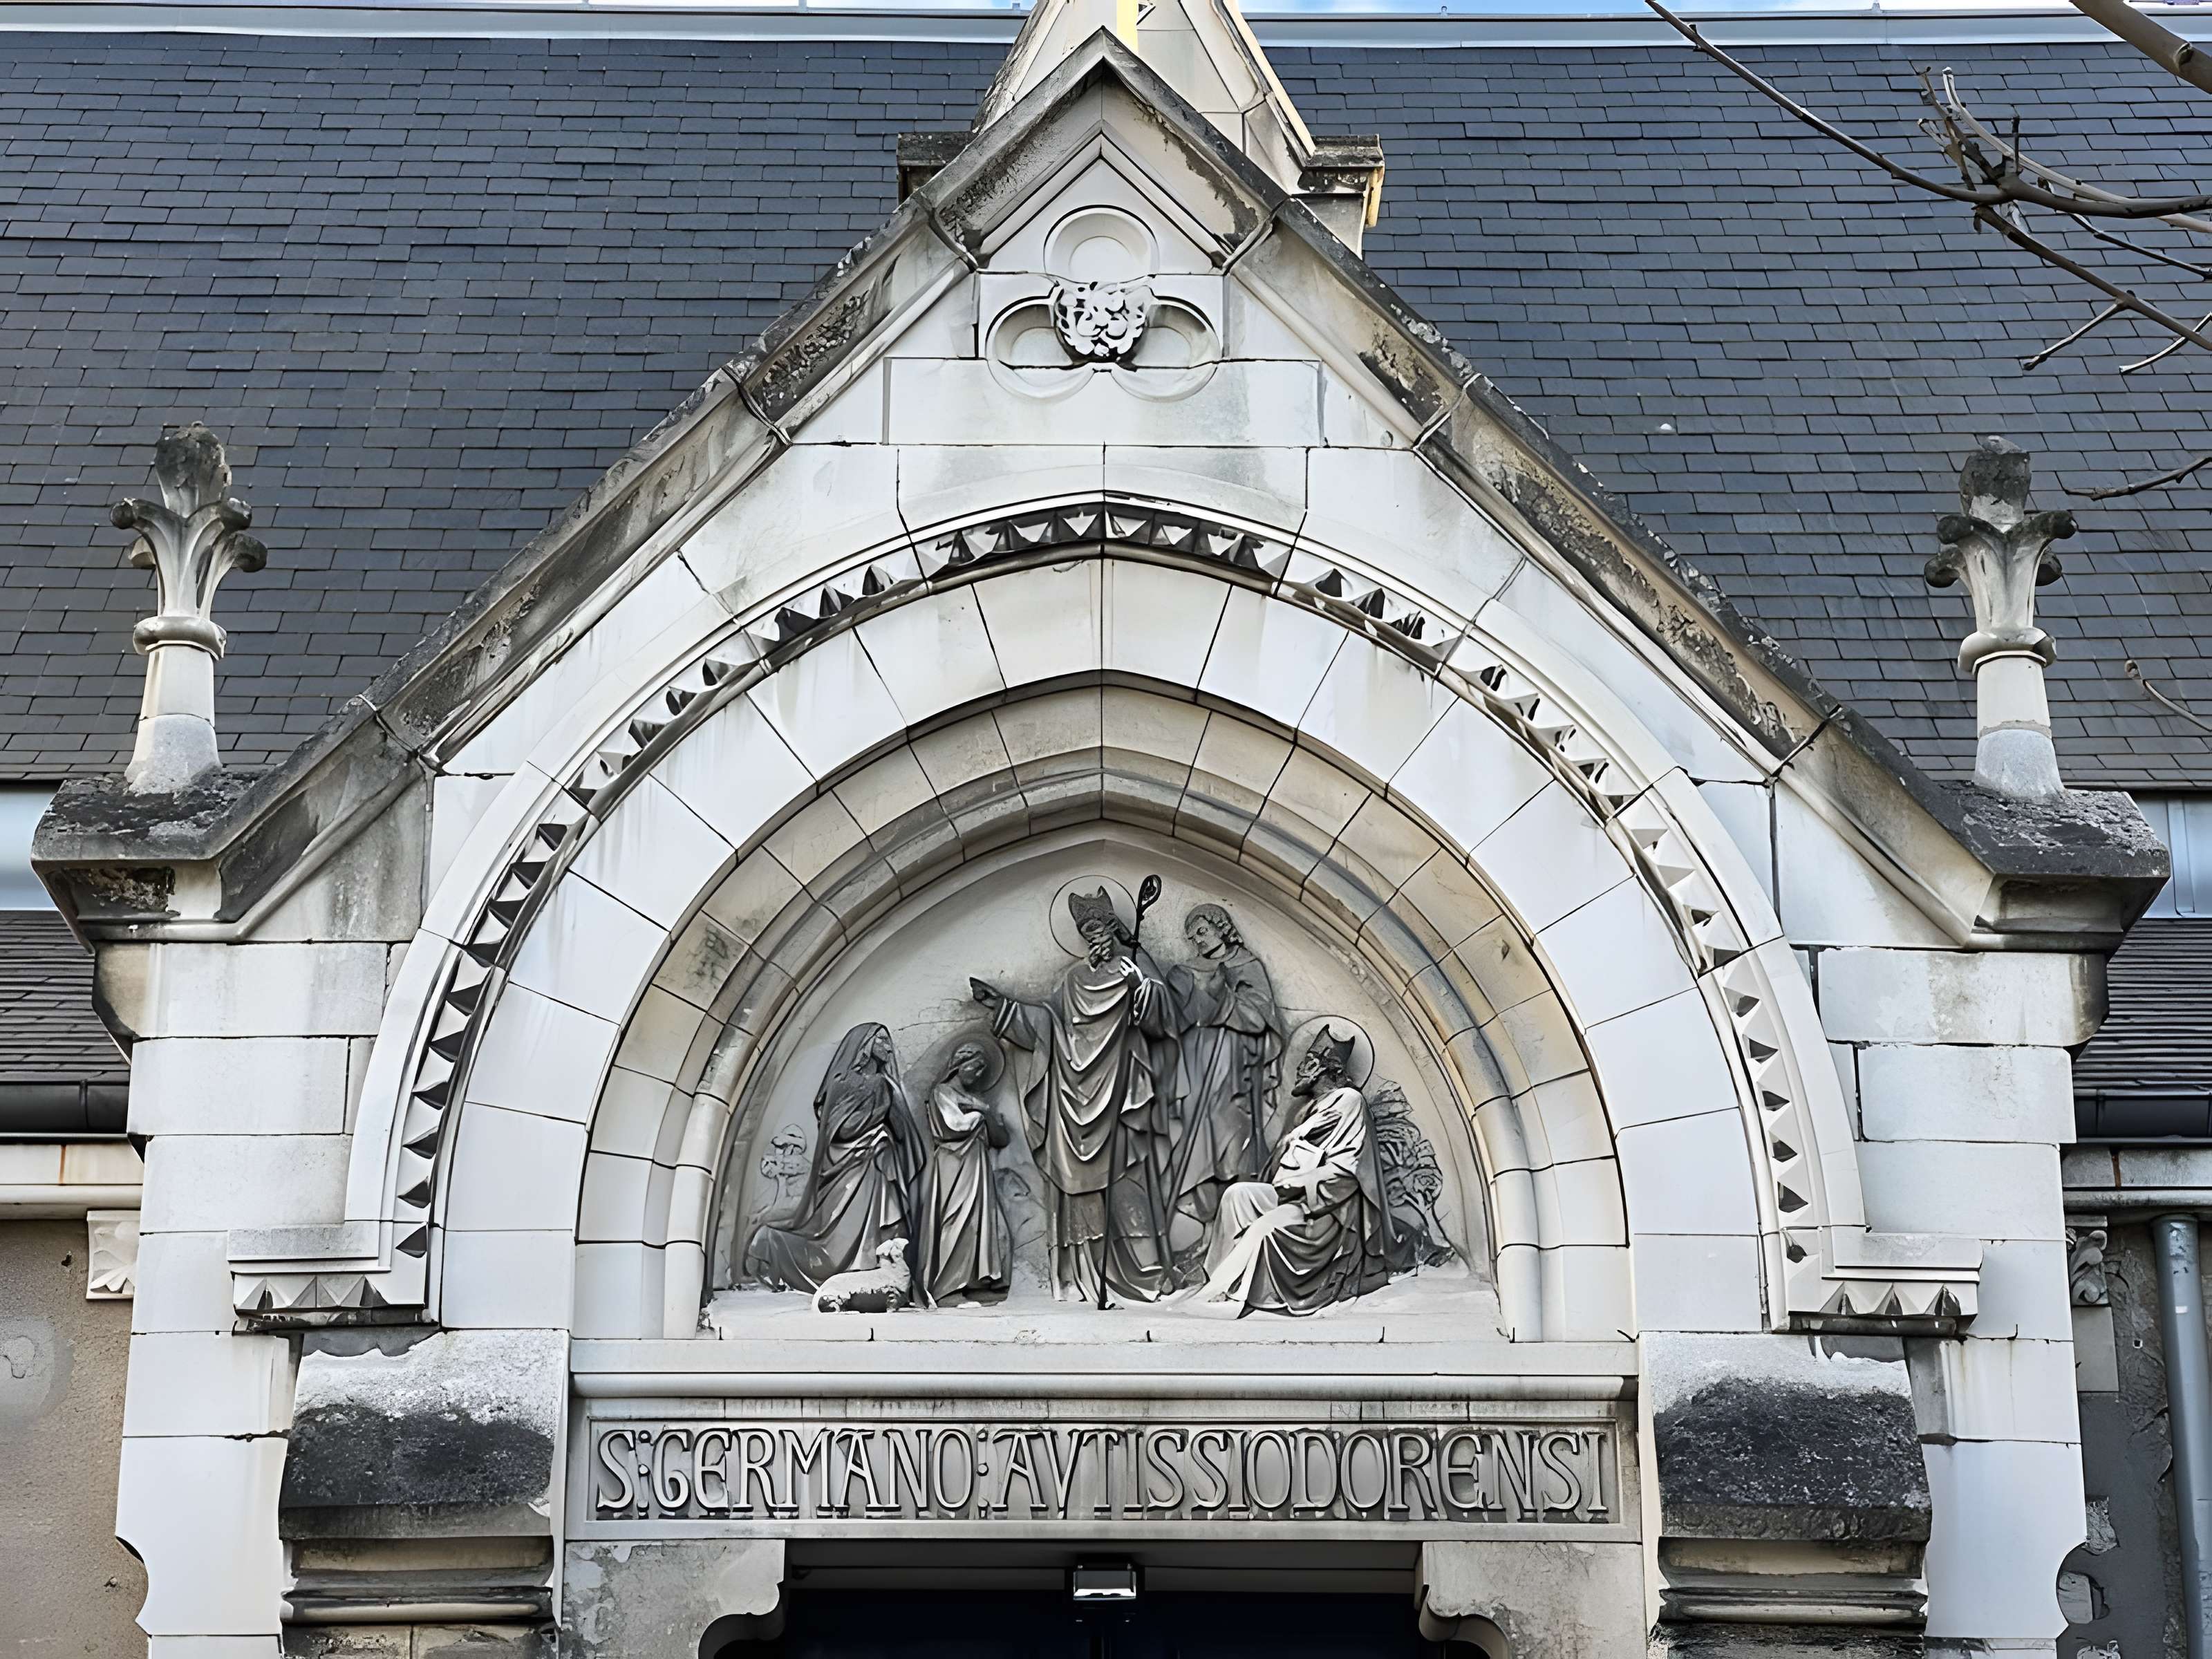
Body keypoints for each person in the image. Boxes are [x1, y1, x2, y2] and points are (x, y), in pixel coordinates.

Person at [972, 887, 1174, 1304]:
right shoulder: (1075, 979)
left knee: (1128, 1182)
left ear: (1114, 928)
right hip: (1072, 1095)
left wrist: (1139, 981)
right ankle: (1082, 1277)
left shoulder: (1136, 967)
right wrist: (1004, 1008)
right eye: (1085, 930)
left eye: (1097, 926)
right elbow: (1048, 1022)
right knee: (1077, 1188)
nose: (1092, 936)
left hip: (1122, 1093)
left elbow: (1161, 1017)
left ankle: (1145, 1276)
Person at [1187, 1024, 1399, 1317]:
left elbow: (1350, 1170)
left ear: (1323, 1068)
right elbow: (1280, 1167)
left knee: (1265, 1230)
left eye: (1306, 1063)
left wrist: (1302, 1183)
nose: (1299, 1069)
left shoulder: (1350, 1101)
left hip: (1323, 1211)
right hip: (1293, 1197)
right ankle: (1216, 1281)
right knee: (1237, 1196)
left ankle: (1230, 1296)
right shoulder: (1305, 1110)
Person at [744, 1023, 924, 1294]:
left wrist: (891, 1103)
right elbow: (838, 1129)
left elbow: (901, 1131)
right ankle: (781, 1249)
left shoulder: (886, 1086)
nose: (889, 1048)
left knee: (888, 1218)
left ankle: (883, 1274)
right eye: (882, 1041)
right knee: (836, 1234)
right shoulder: (843, 1084)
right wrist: (877, 1128)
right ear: (865, 1045)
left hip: (878, 1166)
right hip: (848, 1169)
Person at [1161, 903, 1286, 1271]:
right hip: (1199, 1067)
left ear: (1222, 928)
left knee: (1233, 1143)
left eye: (1202, 931)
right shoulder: (1187, 971)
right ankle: (1208, 1232)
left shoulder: (1247, 967)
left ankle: (1231, 1232)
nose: (1197, 941)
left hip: (1236, 1070)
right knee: (1197, 1143)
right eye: (1191, 937)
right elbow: (1174, 1017)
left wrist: (1222, 996)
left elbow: (1261, 1017)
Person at [915, 1039, 1013, 1305]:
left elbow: (1001, 1137)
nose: (979, 1074)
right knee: (956, 1220)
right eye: (976, 1067)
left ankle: (974, 1282)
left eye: (983, 1070)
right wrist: (983, 1114)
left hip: (976, 1165)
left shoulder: (975, 1100)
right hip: (953, 1164)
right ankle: (947, 1289)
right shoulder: (942, 1092)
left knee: (977, 1224)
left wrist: (984, 1112)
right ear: (960, 1064)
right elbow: (954, 1125)